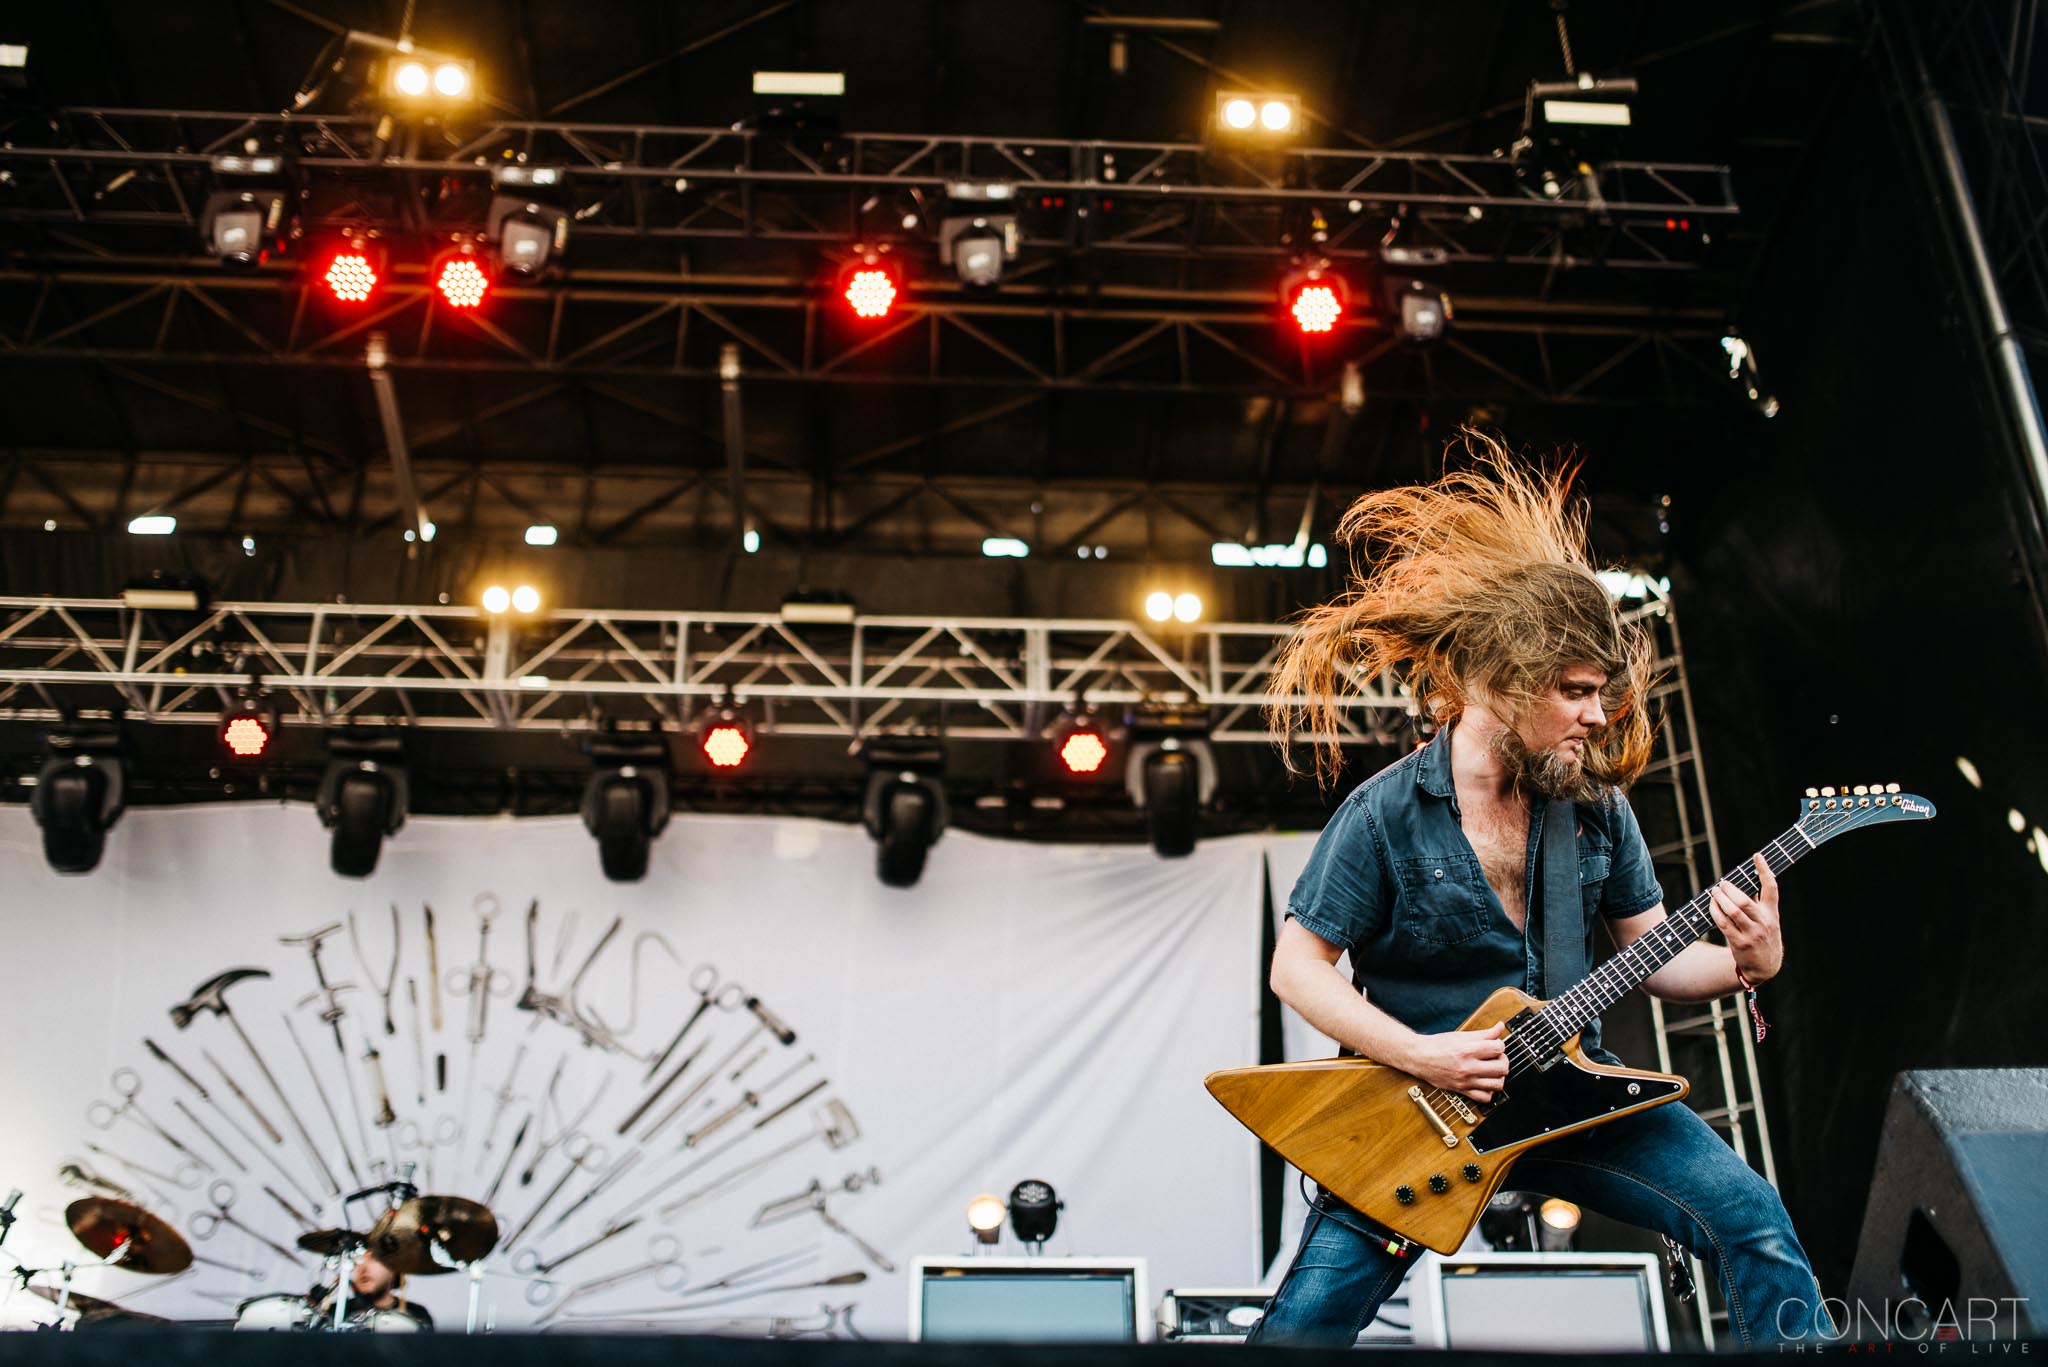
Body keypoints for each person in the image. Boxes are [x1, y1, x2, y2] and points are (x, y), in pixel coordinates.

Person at [1246, 444, 1829, 1349]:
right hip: (1416, 1118)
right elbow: (1297, 968)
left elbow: (1658, 958)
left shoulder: (1595, 810)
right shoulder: (1383, 814)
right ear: (1501, 683)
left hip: (1576, 1097)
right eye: (1576, 692)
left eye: (1601, 694)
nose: (1598, 715)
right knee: (1301, 1334)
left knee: (1753, 1220)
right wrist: (1427, 1055)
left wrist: (1750, 962)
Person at [315, 1249, 433, 1330]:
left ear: (393, 1268)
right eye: (358, 1259)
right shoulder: (335, 1313)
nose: (363, 1268)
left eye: (373, 1258)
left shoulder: (417, 1313)